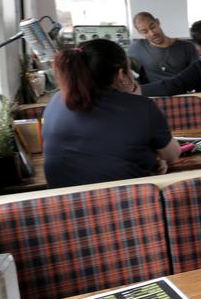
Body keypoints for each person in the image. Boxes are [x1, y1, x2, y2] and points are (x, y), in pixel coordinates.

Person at [41, 39, 179, 188]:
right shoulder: (142, 107)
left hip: (61, 206)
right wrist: (136, 99)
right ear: (121, 74)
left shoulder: (54, 102)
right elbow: (172, 156)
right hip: (123, 205)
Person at [128, 12, 198, 83]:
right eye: (145, 31)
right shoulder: (137, 47)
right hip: (155, 93)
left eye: (153, 27)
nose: (152, 33)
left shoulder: (187, 47)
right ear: (139, 32)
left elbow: (197, 74)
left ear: (157, 22)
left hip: (182, 91)